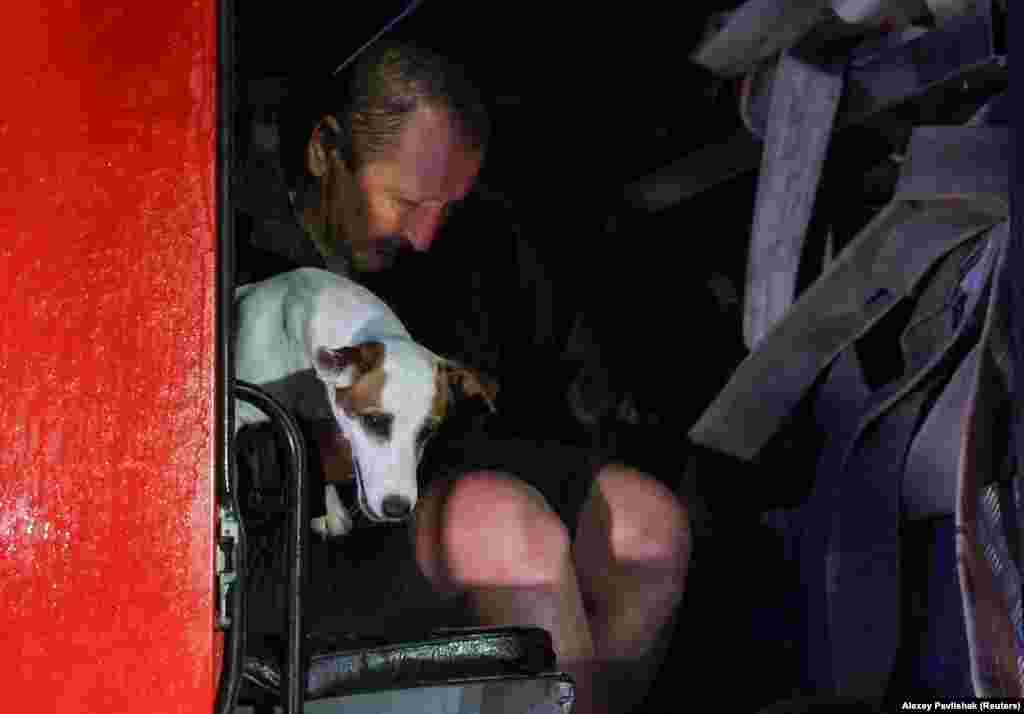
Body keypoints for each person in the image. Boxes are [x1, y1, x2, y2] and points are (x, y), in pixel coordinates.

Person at [234, 39, 691, 714]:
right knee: (503, 525)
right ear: (323, 151)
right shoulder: (229, 248)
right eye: (406, 201)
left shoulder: (458, 260)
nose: (424, 237)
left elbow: (513, 410)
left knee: (646, 525)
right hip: (290, 548)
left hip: (422, 505)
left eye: (445, 209)